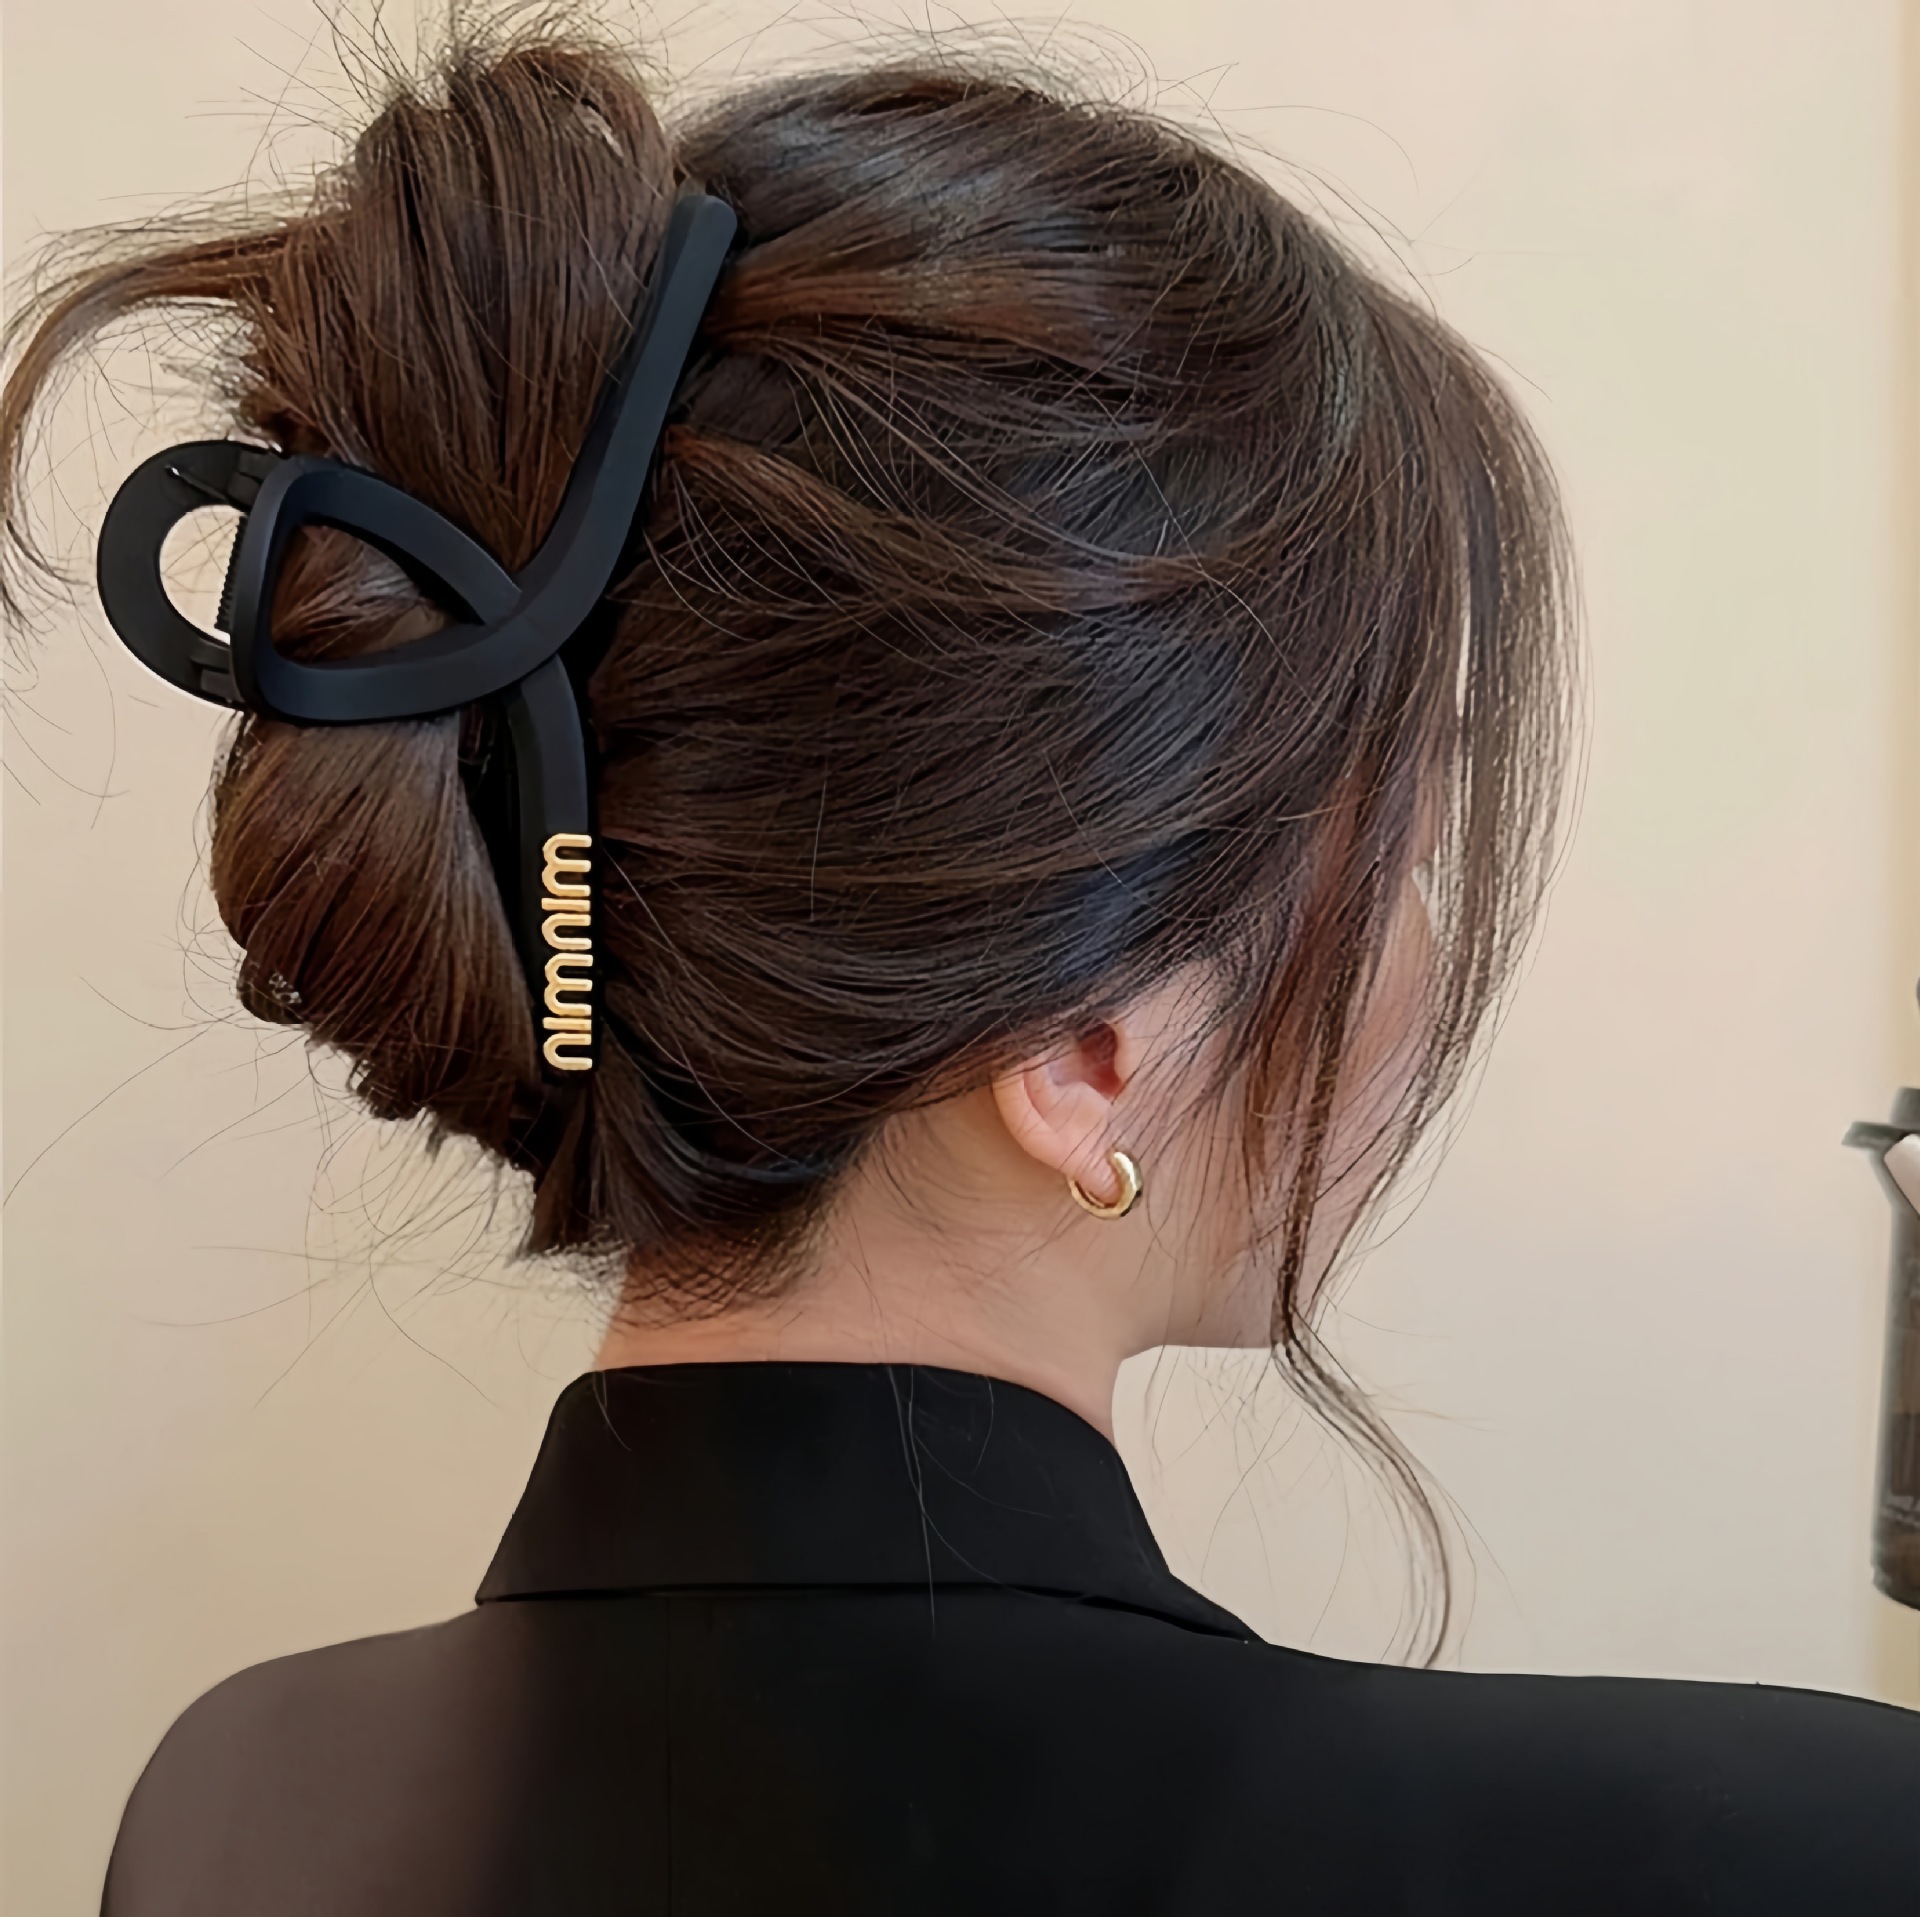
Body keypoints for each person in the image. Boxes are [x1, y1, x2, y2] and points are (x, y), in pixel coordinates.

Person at [4, 16, 1915, 1914]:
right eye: (1406, 856)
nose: (1422, 972)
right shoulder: (1798, 1848)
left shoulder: (232, 1817)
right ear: (1086, 1044)